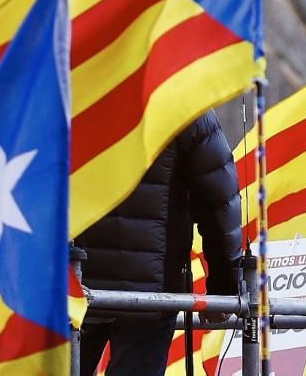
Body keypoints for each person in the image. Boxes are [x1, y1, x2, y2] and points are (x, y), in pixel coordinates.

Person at [76, 109, 242, 376]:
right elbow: (219, 202)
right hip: (152, 293)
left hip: (73, 282)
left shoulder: (70, 81)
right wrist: (223, 286)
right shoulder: (184, 94)